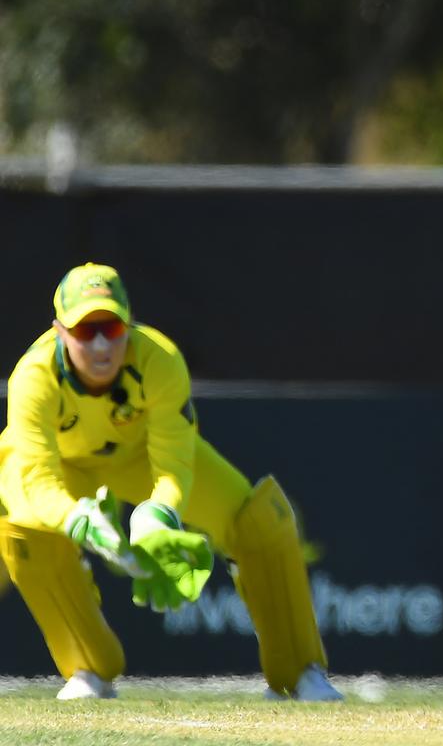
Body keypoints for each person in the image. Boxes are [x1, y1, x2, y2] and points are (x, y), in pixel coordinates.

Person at [0, 262, 342, 702]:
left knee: (258, 521)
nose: (101, 344)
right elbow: (36, 477)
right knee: (25, 532)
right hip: (66, 469)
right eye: (86, 332)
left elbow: (173, 460)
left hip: (140, 458)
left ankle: (299, 673)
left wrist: (158, 514)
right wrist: (76, 518)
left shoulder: (159, 360)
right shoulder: (34, 377)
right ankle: (88, 670)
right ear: (58, 331)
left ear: (129, 324)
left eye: (111, 327)